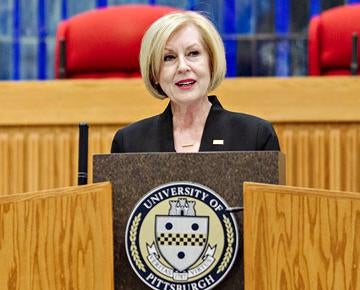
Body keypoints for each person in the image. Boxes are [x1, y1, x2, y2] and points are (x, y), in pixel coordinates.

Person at [111, 11, 280, 153]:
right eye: (169, 57)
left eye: (193, 53)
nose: (183, 67)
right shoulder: (128, 143)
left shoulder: (256, 137)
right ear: (154, 73)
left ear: (211, 62)